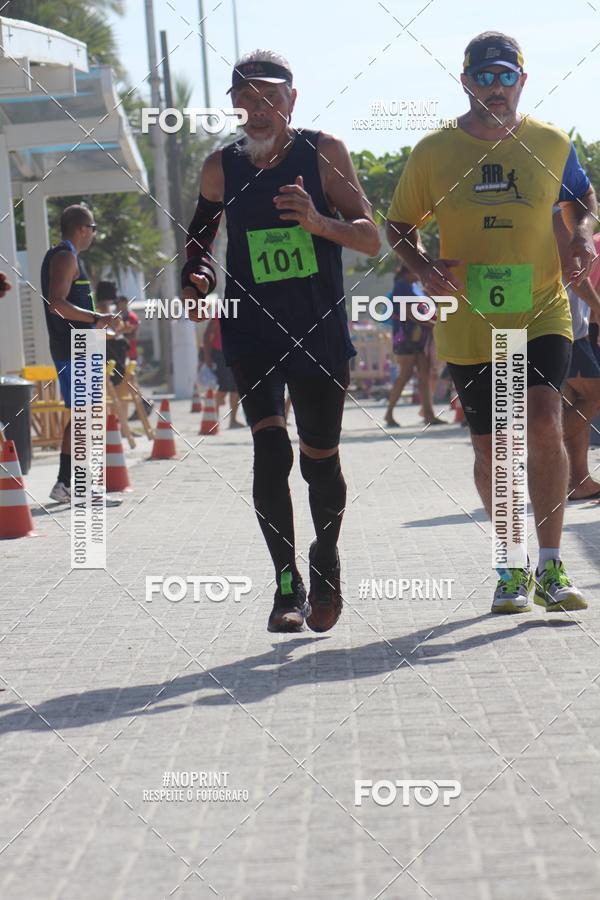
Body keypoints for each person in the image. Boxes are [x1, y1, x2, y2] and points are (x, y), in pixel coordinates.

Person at [386, 32, 597, 614]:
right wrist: (425, 267)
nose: (496, 88)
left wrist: (579, 239)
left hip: (539, 306)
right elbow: (400, 223)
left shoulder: (552, 142)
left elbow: (581, 199)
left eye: (507, 77)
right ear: (466, 82)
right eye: (485, 77)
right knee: (491, 450)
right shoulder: (434, 151)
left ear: (522, 81)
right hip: (469, 316)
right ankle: (510, 564)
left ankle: (552, 567)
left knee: (543, 424)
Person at [181, 49, 379, 633]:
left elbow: (369, 237)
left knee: (320, 462)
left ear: (292, 99)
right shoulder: (220, 168)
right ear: (235, 104)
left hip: (317, 332)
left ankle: (325, 558)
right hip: (251, 331)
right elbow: (198, 247)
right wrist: (197, 280)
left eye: (270, 97)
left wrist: (318, 223)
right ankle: (285, 584)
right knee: (270, 451)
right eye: (246, 98)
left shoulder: (324, 154)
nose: (258, 109)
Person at [41, 205, 121, 502]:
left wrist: (97, 319)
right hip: (74, 350)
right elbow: (56, 303)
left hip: (80, 348)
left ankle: (69, 483)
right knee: (85, 417)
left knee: (82, 417)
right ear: (83, 229)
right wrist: (97, 319)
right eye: (94, 228)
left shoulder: (68, 257)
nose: (94, 234)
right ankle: (74, 483)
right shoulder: (64, 256)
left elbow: (68, 305)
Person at [554, 212, 600, 500]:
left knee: (575, 402)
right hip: (568, 325)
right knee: (594, 394)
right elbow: (575, 275)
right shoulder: (560, 218)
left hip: (573, 326)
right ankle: (540, 447)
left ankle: (579, 480)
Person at [384, 265, 444, 427]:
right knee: (405, 373)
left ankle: (429, 414)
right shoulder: (402, 285)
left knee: (424, 373)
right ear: (410, 270)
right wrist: (434, 325)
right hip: (405, 336)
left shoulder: (414, 286)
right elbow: (410, 313)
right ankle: (389, 413)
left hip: (419, 337)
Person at [202, 316, 244, 427]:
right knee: (224, 388)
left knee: (236, 388)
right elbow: (207, 336)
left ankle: (232, 421)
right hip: (221, 355)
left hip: (236, 354)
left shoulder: (243, 313)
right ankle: (212, 419)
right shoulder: (220, 314)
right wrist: (207, 357)